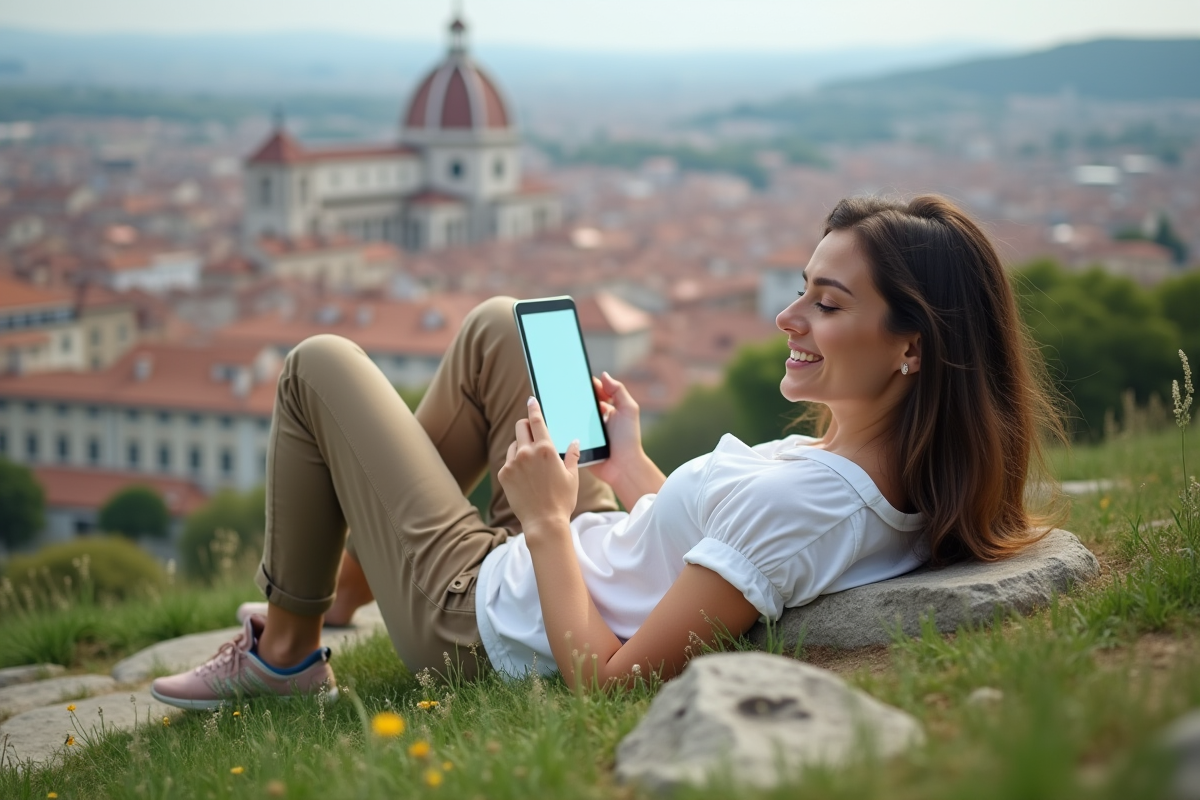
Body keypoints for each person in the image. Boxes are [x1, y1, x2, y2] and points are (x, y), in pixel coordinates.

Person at [150, 195, 1060, 709]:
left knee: (319, 366)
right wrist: (626, 469)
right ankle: (347, 587)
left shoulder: (814, 504)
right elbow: (714, 551)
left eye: (826, 303)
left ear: (913, 348)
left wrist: (546, 521)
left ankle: (290, 651)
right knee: (504, 327)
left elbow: (605, 682)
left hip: (483, 616)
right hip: (582, 552)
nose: (788, 319)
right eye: (800, 291)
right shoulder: (861, 474)